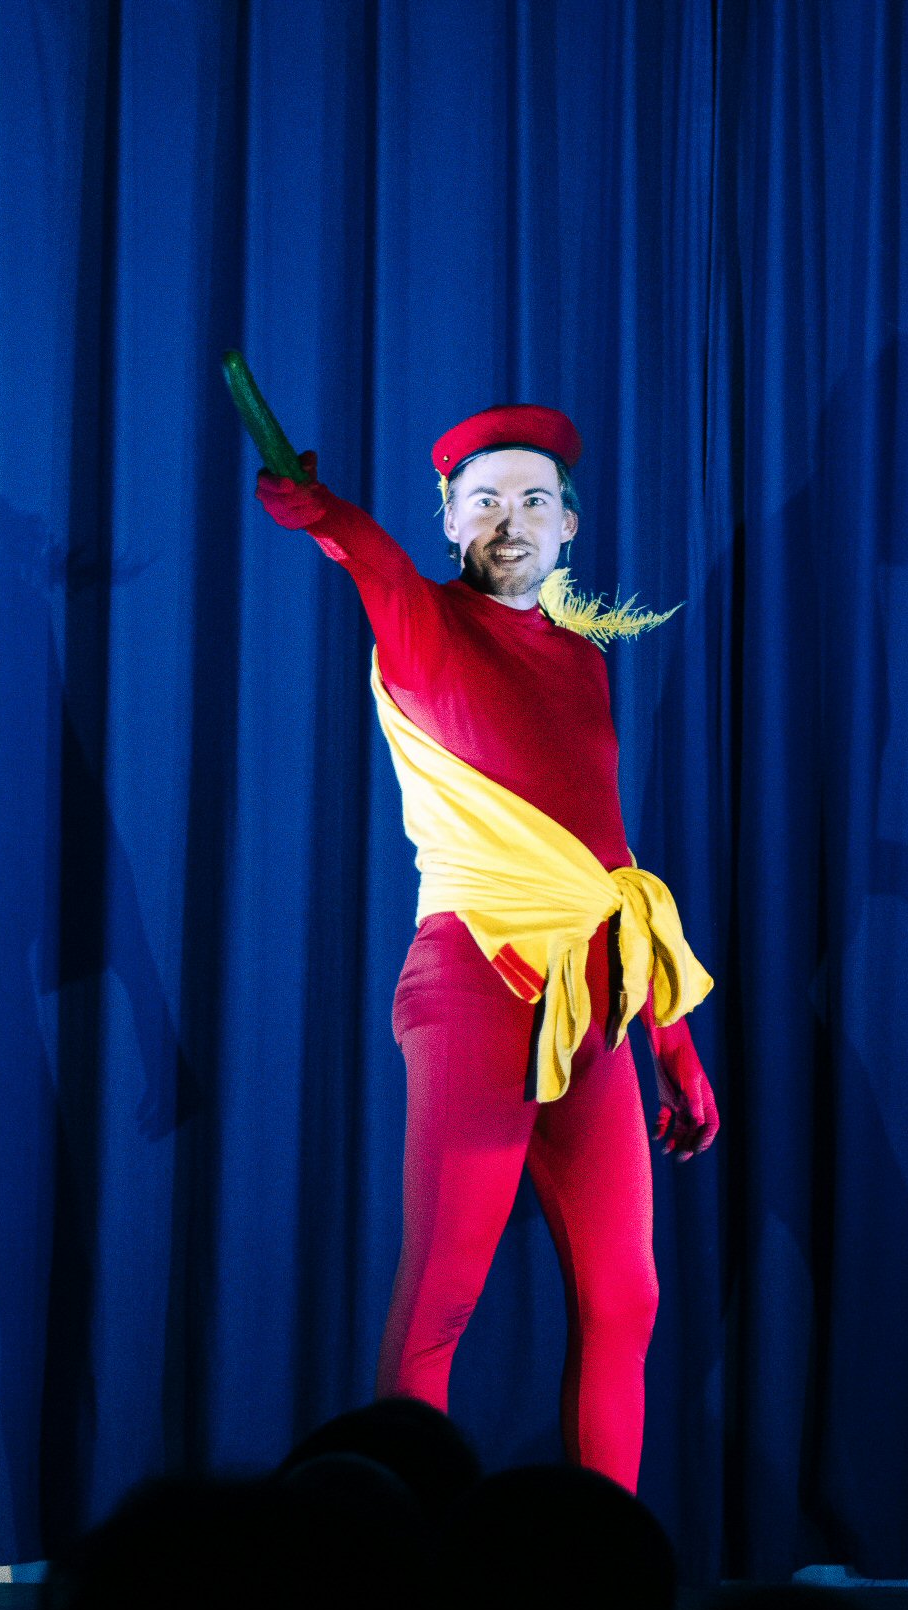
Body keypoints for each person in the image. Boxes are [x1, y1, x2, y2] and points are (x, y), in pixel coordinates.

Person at [257, 406, 719, 1490]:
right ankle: (399, 1548)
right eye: (484, 501)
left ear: (569, 525)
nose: (509, 520)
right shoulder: (424, 622)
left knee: (626, 1298)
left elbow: (607, 862)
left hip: (594, 996)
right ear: (450, 521)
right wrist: (320, 512)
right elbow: (368, 557)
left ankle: (604, 1555)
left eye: (532, 500)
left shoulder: (580, 661)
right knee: (442, 1296)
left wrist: (674, 1044)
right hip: (477, 982)